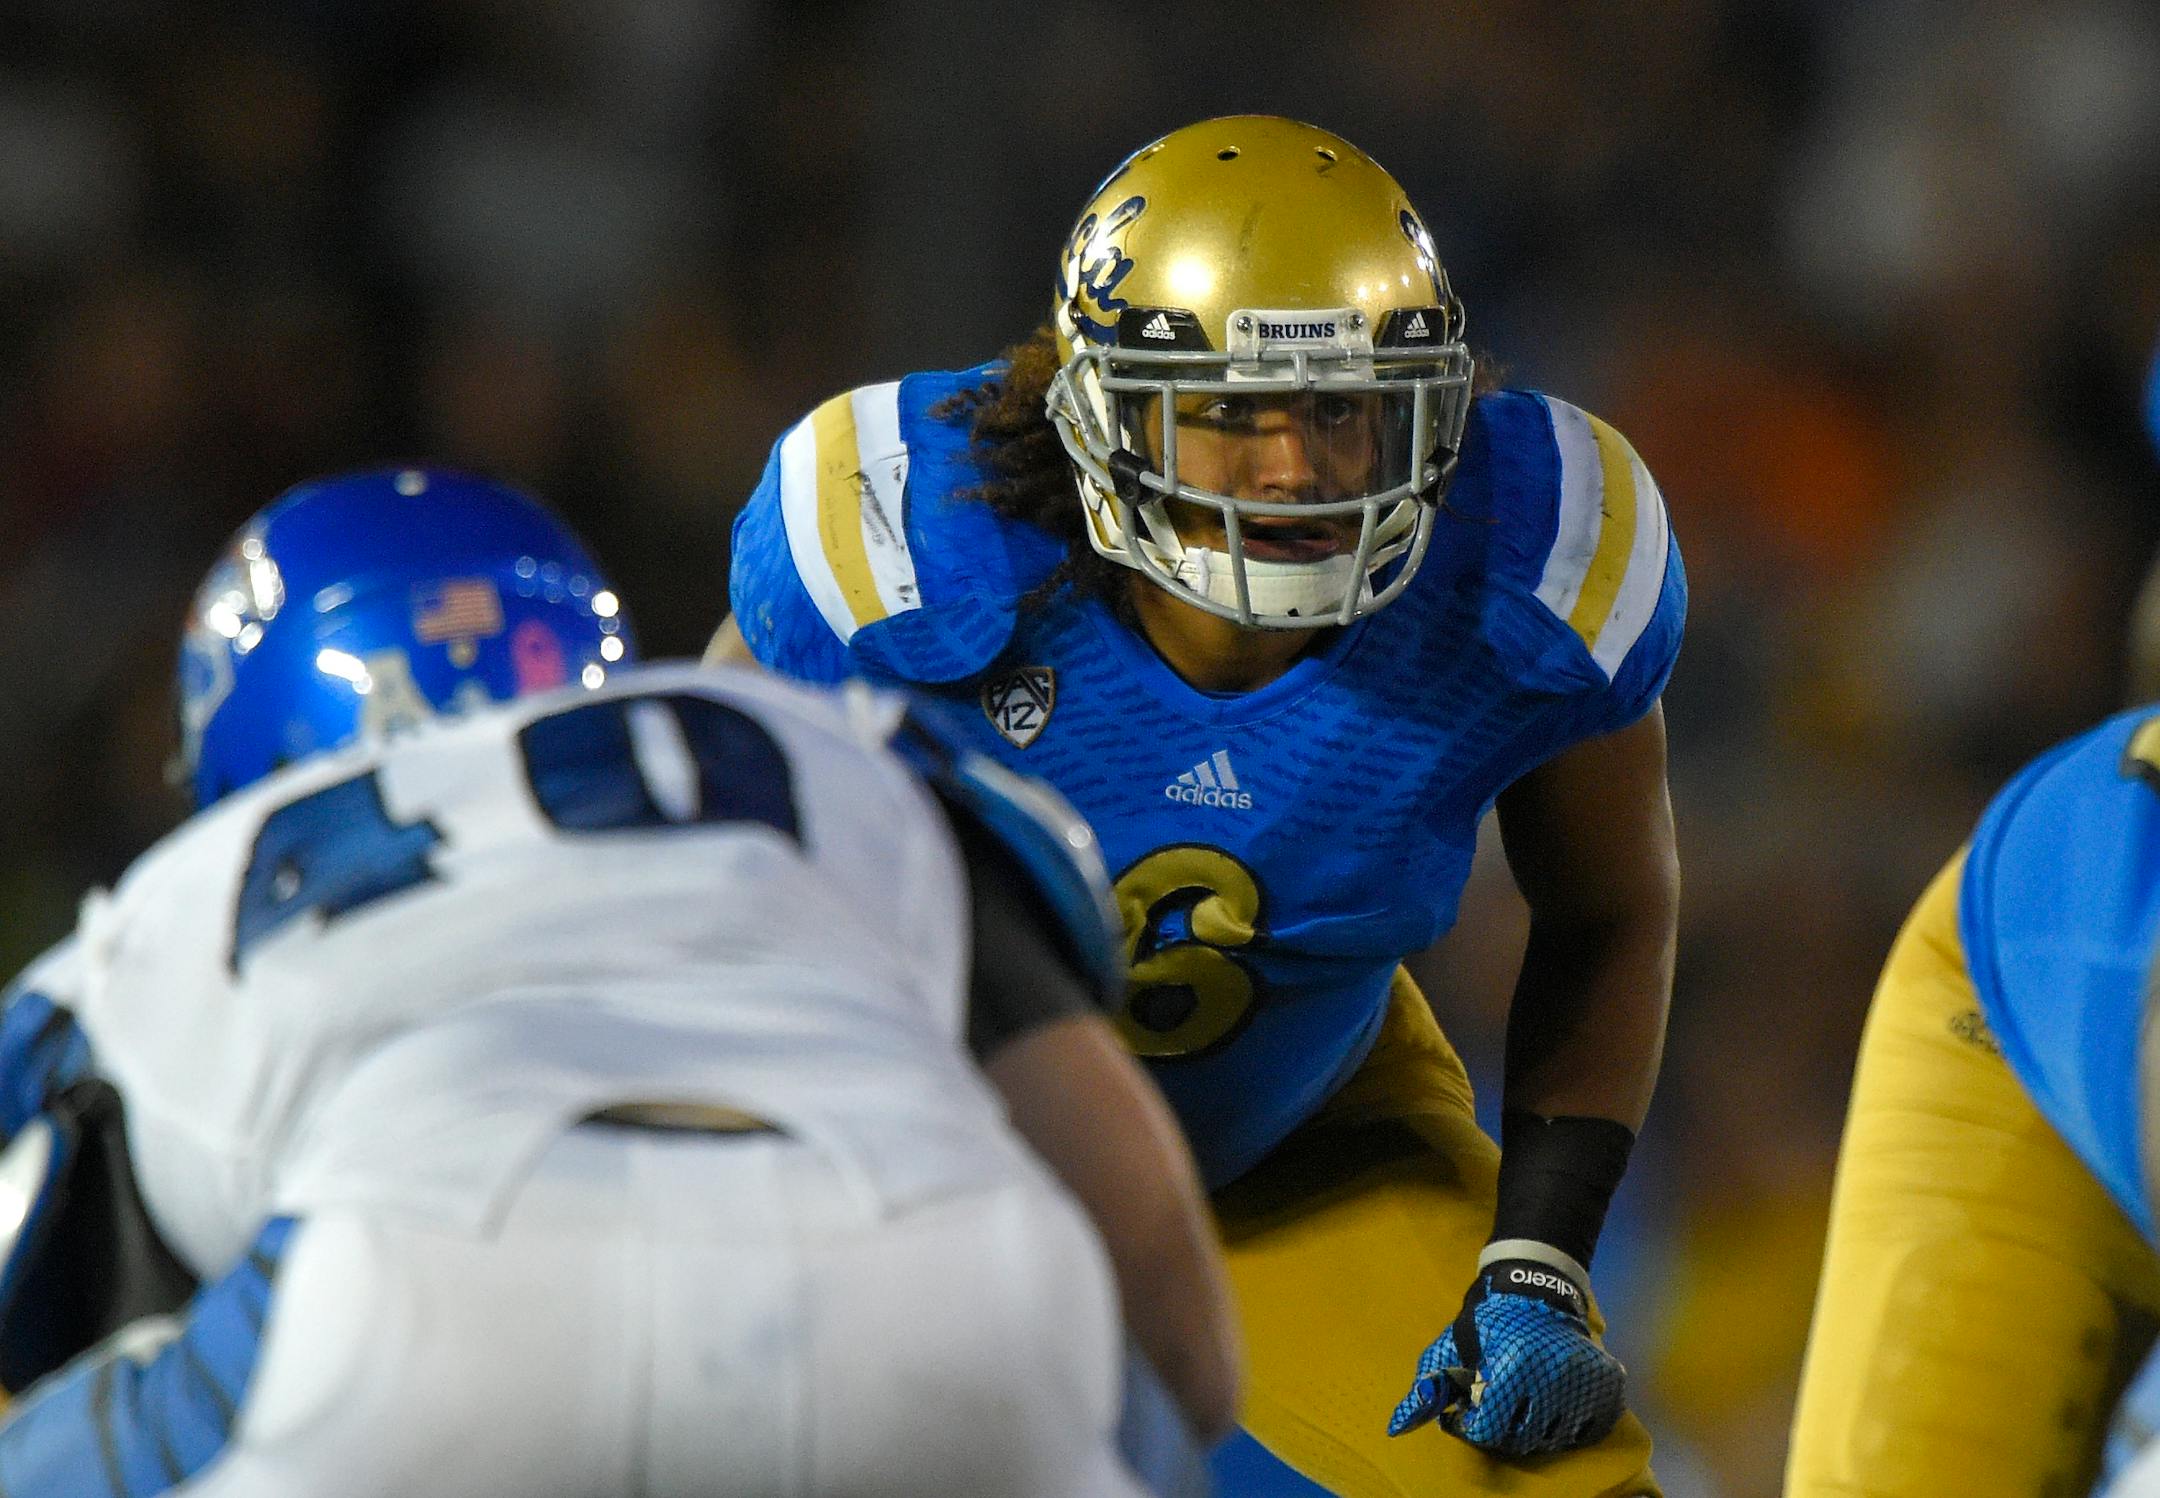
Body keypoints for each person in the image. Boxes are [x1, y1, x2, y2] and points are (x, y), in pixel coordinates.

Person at [711, 115, 1686, 1496]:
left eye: (1344, 409)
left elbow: (1612, 909)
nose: (1295, 470)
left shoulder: (1527, 568)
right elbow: (683, 860)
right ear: (1099, 408)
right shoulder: (905, 549)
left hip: (1308, 1130)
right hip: (925, 1151)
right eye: (1233, 413)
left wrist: (1540, 1251)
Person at [0, 467, 1238, 1496]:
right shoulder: (826, 750)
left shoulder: (191, 900)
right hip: (951, 1282)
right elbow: (1171, 1302)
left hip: (416, 1306)